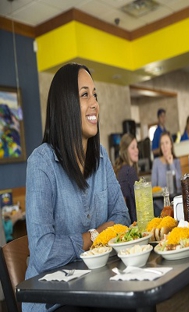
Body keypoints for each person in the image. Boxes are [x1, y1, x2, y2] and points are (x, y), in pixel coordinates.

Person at [24, 63, 131, 312]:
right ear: (65, 105)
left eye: (95, 95)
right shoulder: (41, 163)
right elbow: (43, 252)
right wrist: (94, 236)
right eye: (85, 95)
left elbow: (122, 217)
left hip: (97, 284)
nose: (95, 103)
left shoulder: (101, 158)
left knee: (137, 303)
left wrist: (100, 233)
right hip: (53, 298)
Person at [151, 131, 182, 216]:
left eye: (166, 143)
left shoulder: (176, 162)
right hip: (159, 207)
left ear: (171, 145)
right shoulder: (156, 162)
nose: (164, 147)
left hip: (175, 204)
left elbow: (179, 184)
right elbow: (154, 187)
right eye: (162, 144)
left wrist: (171, 164)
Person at [114, 133, 139, 224]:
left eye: (136, 147)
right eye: (132, 148)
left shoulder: (120, 170)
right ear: (125, 151)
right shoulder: (129, 172)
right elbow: (139, 202)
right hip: (134, 223)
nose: (136, 150)